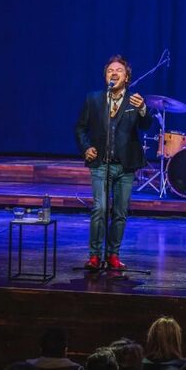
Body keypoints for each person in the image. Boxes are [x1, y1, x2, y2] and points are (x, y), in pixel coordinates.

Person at [75, 55, 153, 270]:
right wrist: (86, 147)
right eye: (110, 71)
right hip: (101, 164)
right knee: (99, 208)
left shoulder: (134, 100)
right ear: (105, 76)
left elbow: (147, 124)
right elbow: (80, 128)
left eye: (119, 70)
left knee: (120, 212)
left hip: (125, 166)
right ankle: (94, 255)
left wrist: (143, 108)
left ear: (127, 77)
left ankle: (113, 255)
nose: (114, 73)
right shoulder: (94, 99)